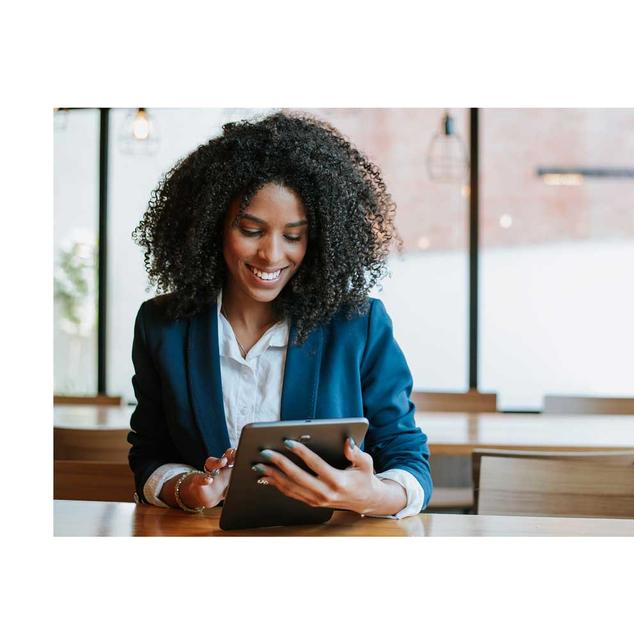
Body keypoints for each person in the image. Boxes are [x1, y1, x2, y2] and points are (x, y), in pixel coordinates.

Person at [128, 111, 432, 518]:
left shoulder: (359, 325)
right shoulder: (162, 326)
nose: (271, 255)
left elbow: (409, 458)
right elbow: (149, 454)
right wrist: (187, 489)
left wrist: (373, 494)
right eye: (251, 231)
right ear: (211, 225)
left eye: (293, 236)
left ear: (319, 238)